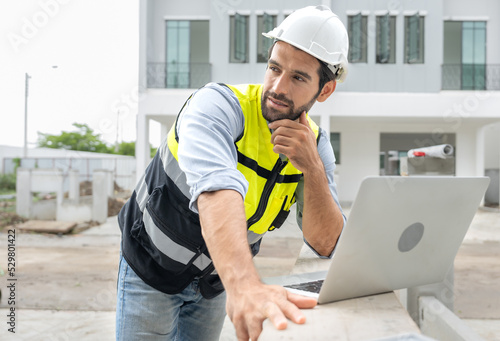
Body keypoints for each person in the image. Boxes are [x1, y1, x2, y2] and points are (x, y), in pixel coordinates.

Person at [116, 5, 349, 341]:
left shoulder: (315, 145)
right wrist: (244, 287)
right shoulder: (217, 106)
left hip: (213, 283)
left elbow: (325, 242)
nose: (278, 87)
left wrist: (312, 168)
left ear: (324, 90)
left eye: (298, 77)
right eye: (274, 68)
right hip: (151, 267)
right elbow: (216, 190)